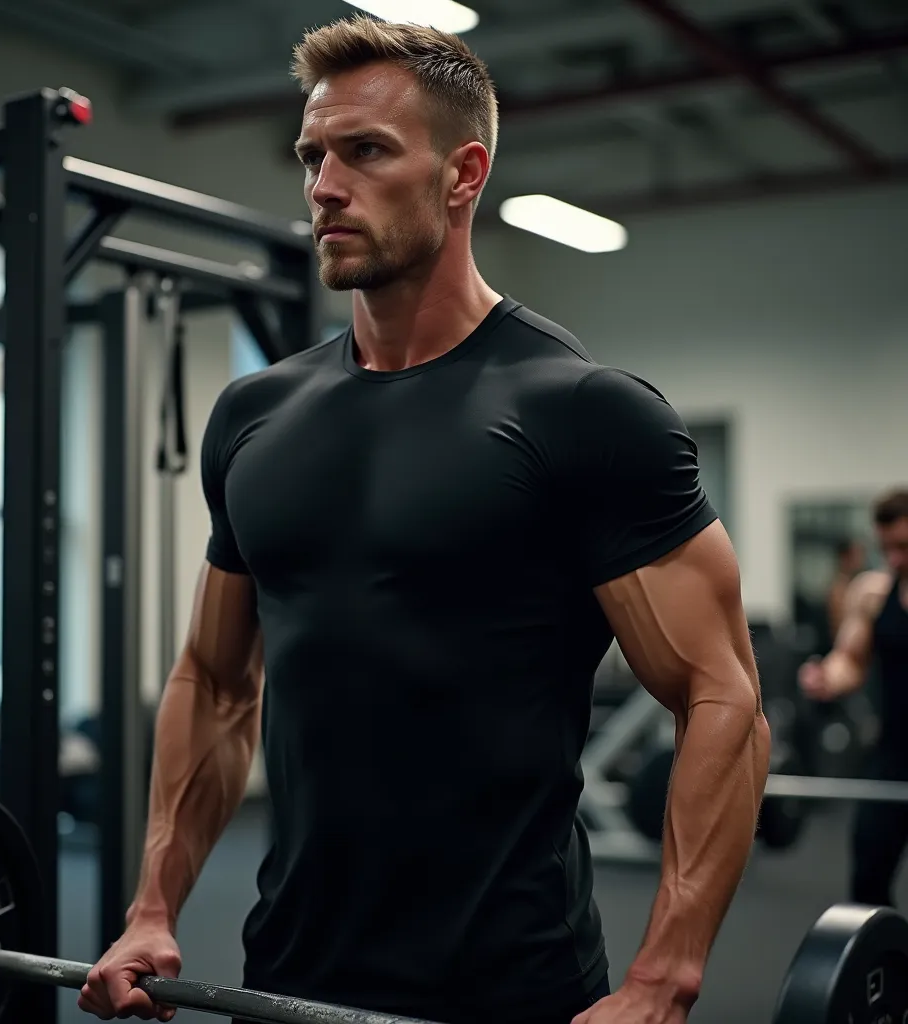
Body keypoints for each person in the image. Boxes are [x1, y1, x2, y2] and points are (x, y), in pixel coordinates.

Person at [79, 16, 770, 1024]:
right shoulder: (255, 415)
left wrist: (664, 975)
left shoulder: (578, 410)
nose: (322, 185)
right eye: (312, 154)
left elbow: (723, 697)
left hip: (508, 988)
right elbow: (218, 682)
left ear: (462, 174)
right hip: (283, 977)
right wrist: (152, 906)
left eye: (364, 151)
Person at [799, 489, 908, 908]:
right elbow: (850, 659)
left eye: (904, 547)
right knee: (868, 868)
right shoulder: (873, 593)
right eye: (887, 548)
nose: (894, 559)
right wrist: (827, 676)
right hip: (893, 752)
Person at [826, 539, 866, 643]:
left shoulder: (855, 582)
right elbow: (840, 628)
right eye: (857, 554)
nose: (861, 559)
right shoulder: (839, 589)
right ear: (845, 557)